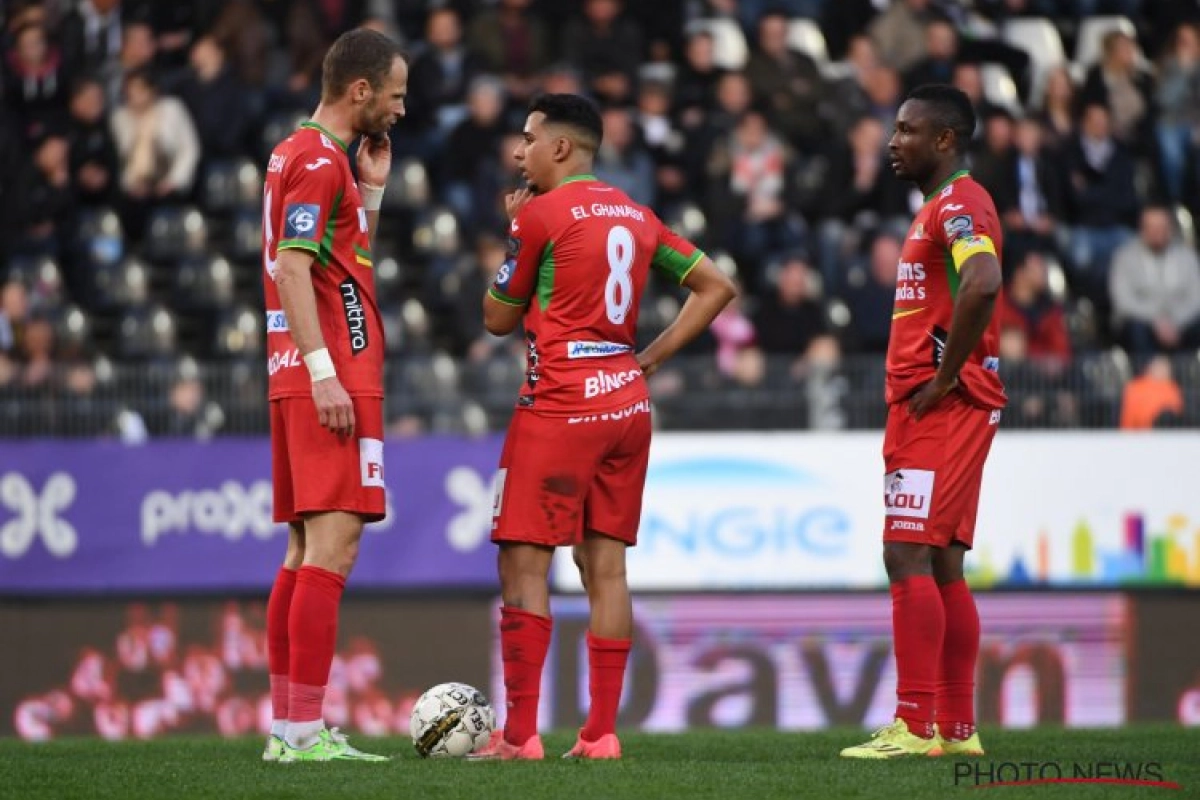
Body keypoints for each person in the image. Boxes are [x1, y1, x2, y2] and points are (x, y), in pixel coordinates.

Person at [470, 93, 736, 760]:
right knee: (606, 569)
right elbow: (716, 286)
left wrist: (516, 235)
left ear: (560, 148)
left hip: (560, 403)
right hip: (625, 404)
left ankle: (520, 736)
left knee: (524, 565)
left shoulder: (540, 215)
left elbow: (497, 319)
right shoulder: (637, 214)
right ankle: (601, 734)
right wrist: (647, 358)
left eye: (527, 138)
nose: (517, 150)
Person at [840, 84, 1005, 759]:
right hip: (949, 402)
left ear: (945, 139)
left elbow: (985, 281)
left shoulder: (961, 205)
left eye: (908, 130)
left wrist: (942, 378)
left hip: (940, 404)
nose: (892, 141)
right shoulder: (939, 209)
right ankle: (956, 730)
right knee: (942, 562)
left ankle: (914, 724)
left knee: (905, 551)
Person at [259, 28, 407, 763]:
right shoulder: (318, 161)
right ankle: (301, 733)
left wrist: (370, 190)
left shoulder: (302, 153)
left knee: (300, 548)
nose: (400, 109)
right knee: (333, 545)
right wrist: (325, 372)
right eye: (396, 94)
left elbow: (337, 264)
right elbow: (292, 268)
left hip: (300, 367)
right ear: (361, 91)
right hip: (330, 372)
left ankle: (289, 732)